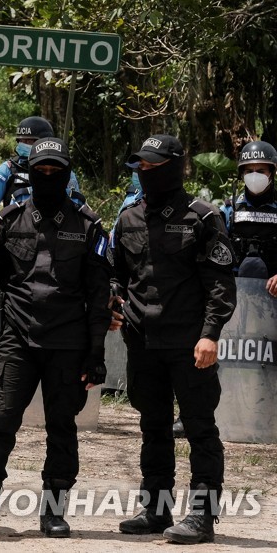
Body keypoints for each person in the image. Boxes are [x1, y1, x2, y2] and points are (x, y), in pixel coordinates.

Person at [0, 137, 112, 540]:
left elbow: (100, 294)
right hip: (17, 340)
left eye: (56, 171)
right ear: (29, 173)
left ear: (67, 174)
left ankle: (54, 512)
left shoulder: (88, 225)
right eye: (40, 170)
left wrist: (97, 353)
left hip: (68, 344)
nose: (48, 177)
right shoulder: (9, 220)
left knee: (62, 429)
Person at [113, 134, 236, 544]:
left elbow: (220, 285)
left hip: (189, 344)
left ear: (174, 167)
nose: (144, 173)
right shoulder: (128, 218)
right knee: (154, 427)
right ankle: (156, 508)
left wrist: (210, 335)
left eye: (152, 166)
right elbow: (119, 275)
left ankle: (202, 517)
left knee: (200, 428)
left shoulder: (202, 217)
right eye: (140, 167)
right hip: (142, 341)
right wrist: (114, 306)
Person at [0, 116, 80, 229]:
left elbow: (75, 205)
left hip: (56, 232)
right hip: (16, 233)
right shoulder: (8, 169)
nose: (23, 144)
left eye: (29, 141)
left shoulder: (64, 171)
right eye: (21, 141)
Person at [228, 140, 277, 286]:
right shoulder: (229, 208)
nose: (254, 176)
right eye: (249, 171)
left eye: (261, 171)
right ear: (242, 174)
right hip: (237, 291)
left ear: (271, 174)